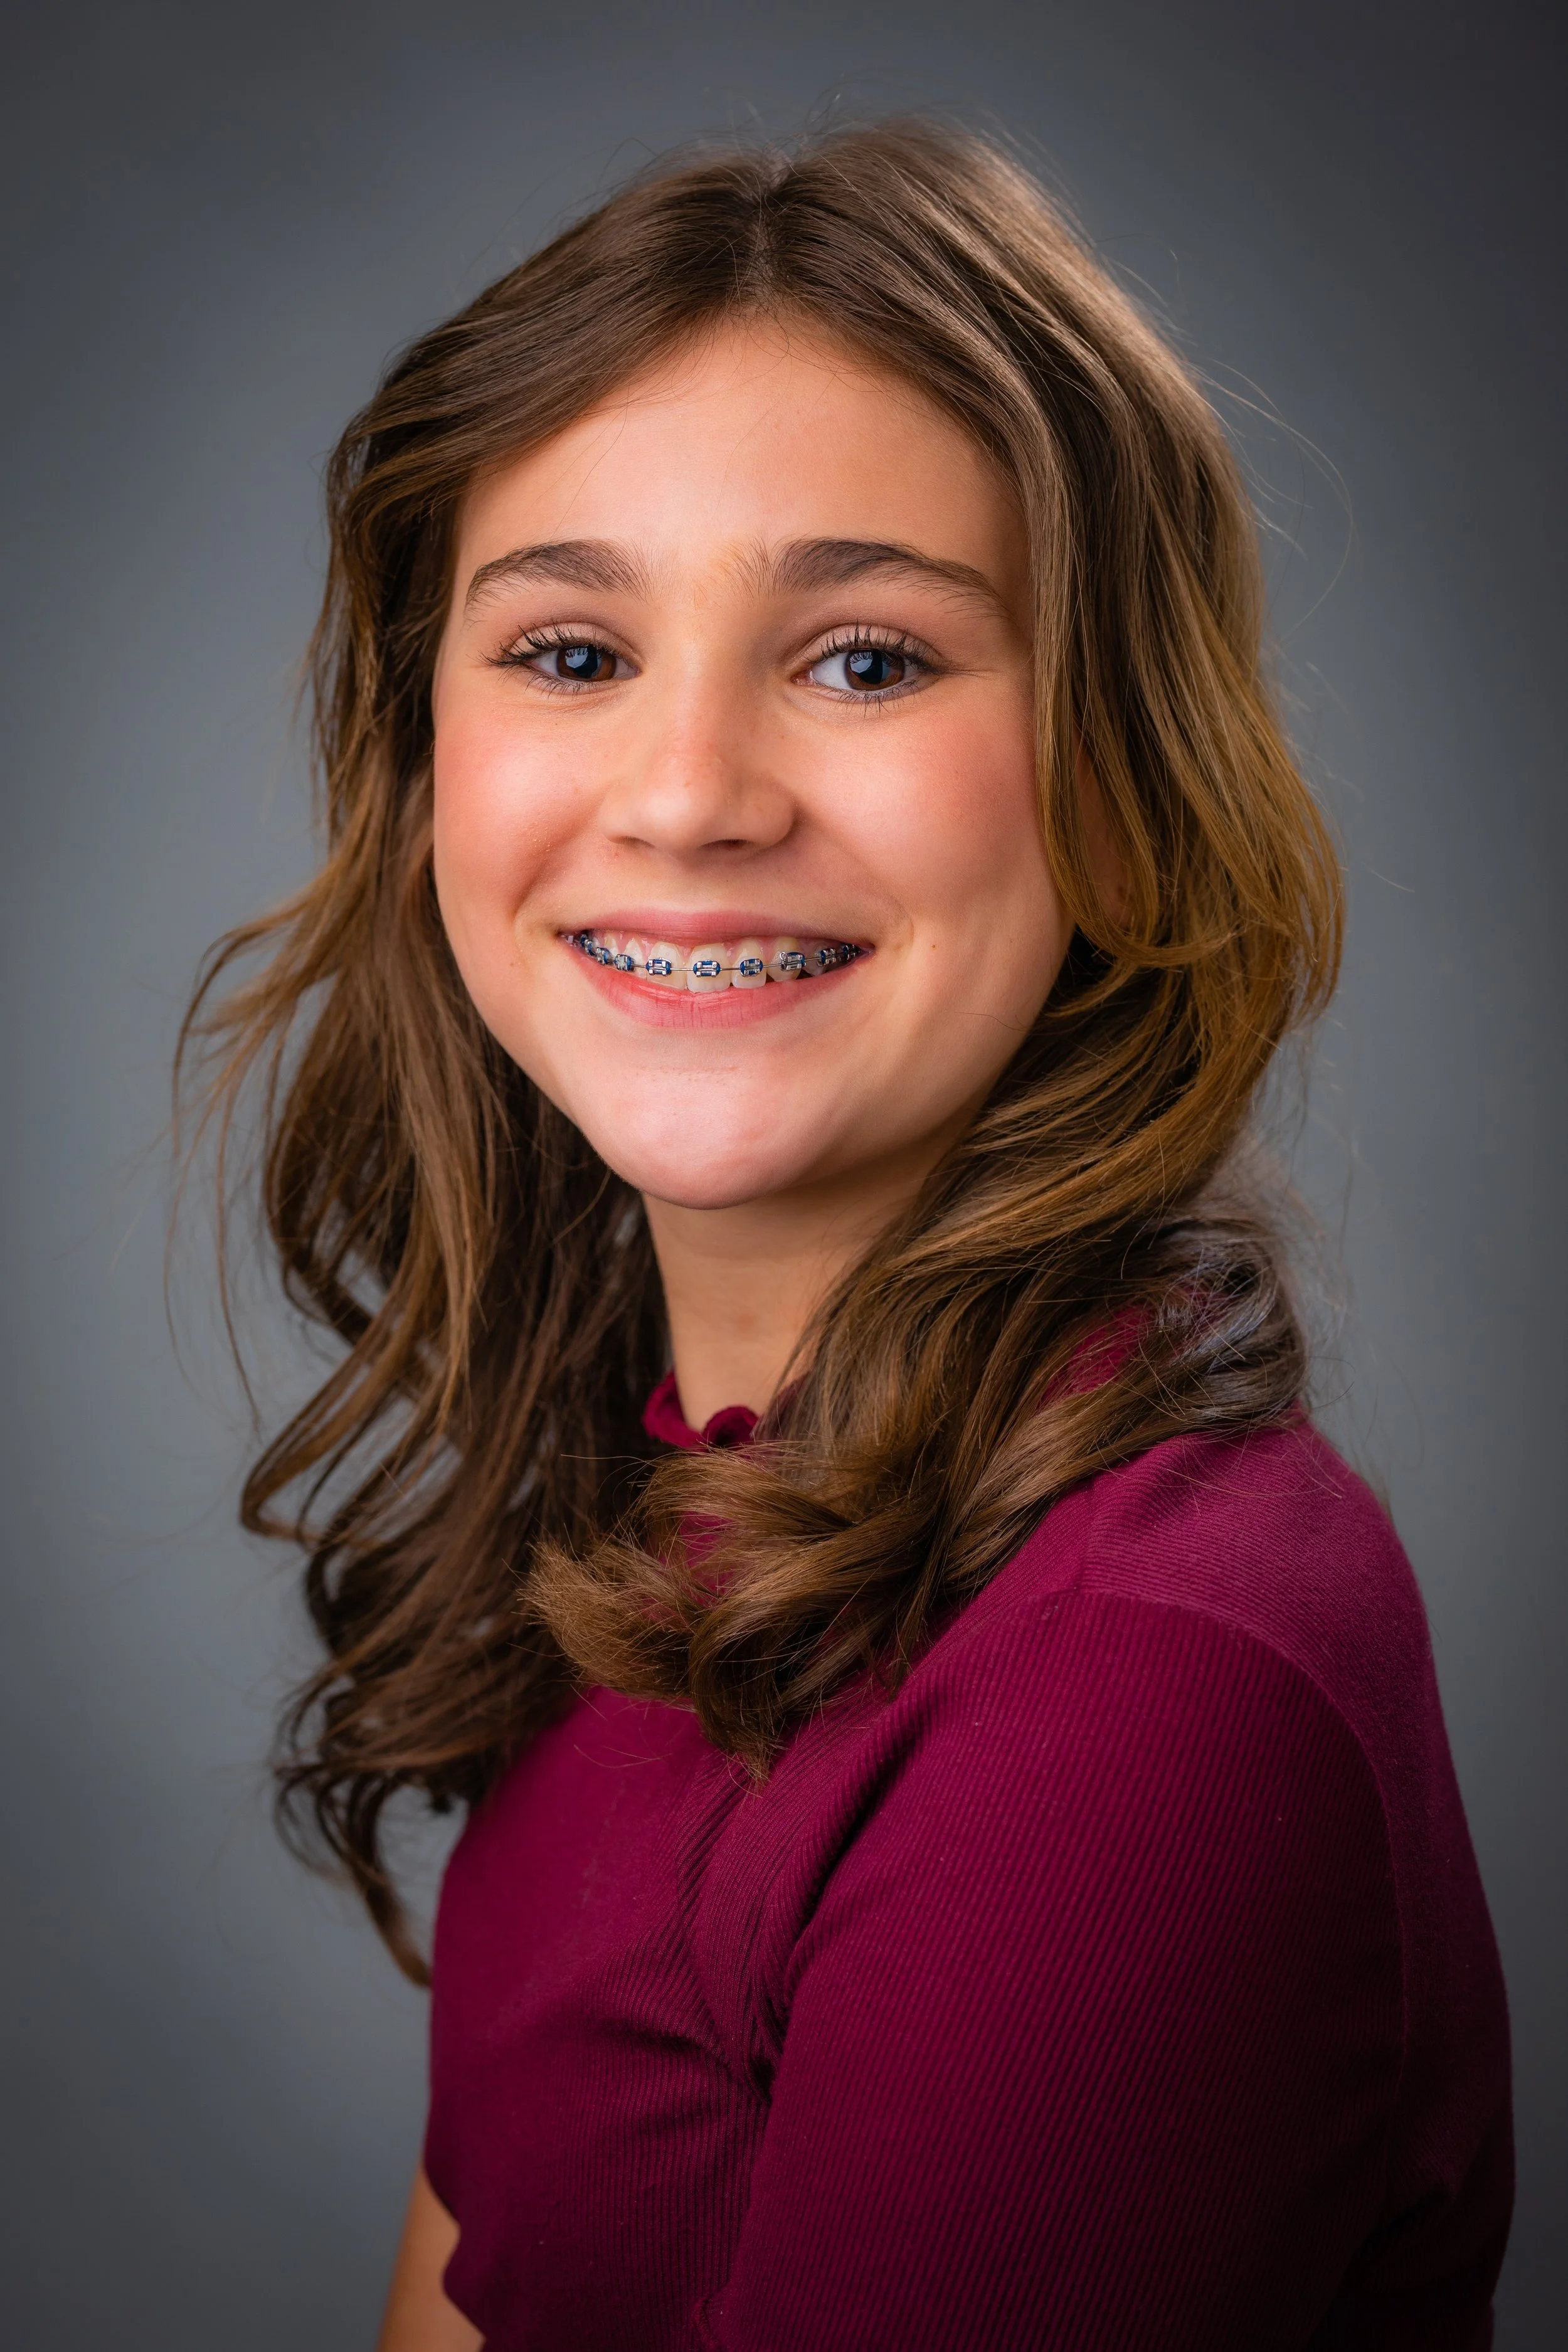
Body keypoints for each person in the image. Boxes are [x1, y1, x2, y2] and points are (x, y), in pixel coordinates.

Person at [184, 122, 1512, 2350]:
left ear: (1114, 776)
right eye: (574, 648)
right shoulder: (686, 1479)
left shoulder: (1147, 1684)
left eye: (870, 659)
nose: (691, 790)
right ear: (425, 769)